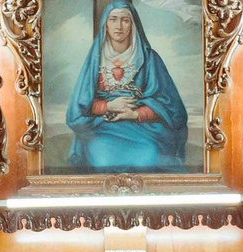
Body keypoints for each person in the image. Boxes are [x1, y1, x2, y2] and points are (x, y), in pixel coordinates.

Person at [62, 0, 189, 171]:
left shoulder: (150, 59)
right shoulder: (95, 60)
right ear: (105, 24)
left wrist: (134, 114)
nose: (119, 26)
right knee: (103, 160)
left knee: (148, 158)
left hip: (143, 129)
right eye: (113, 19)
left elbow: (173, 108)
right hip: (103, 128)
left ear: (133, 24)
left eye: (125, 20)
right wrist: (108, 105)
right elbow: (79, 109)